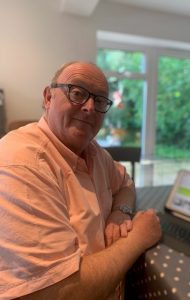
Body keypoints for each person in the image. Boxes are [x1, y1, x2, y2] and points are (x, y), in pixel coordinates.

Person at [0, 61, 161, 300]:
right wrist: (138, 238)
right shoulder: (21, 163)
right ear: (48, 97)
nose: (89, 107)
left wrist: (121, 212)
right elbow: (61, 292)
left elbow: (125, 184)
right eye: (77, 93)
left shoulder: (94, 152)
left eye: (99, 101)